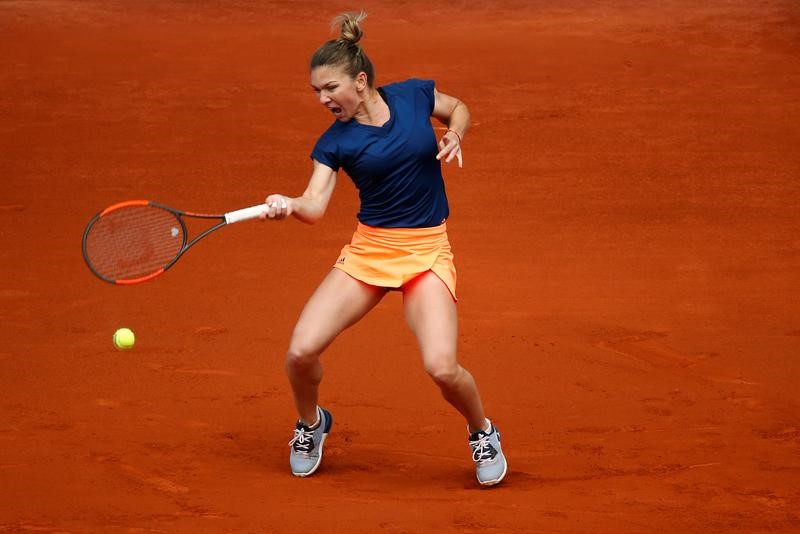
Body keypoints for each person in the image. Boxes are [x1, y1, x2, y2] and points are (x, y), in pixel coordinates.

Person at [260, 11, 507, 486]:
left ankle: (482, 431)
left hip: (427, 251)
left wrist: (456, 133)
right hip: (370, 252)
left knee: (441, 367)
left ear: (360, 79)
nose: (323, 99)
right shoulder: (334, 143)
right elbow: (314, 207)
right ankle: (311, 424)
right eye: (316, 92)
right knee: (299, 353)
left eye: (330, 88)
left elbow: (458, 108)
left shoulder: (413, 96)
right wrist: (288, 204)